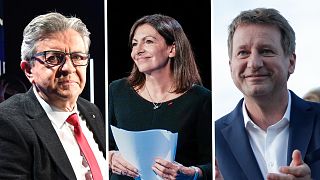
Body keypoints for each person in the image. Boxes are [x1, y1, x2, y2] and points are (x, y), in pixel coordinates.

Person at [215, 8, 320, 180]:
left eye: (266, 51)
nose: (254, 63)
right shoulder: (214, 137)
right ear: (230, 65)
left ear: (291, 62)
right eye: (243, 53)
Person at [0, 12, 107, 179]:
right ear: (29, 70)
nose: (69, 68)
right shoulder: (7, 123)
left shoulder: (91, 111)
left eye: (78, 57)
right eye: (54, 58)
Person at [108, 14, 212, 180]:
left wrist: (192, 173)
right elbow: (99, 147)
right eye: (135, 44)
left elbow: (212, 165)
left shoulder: (201, 99)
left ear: (172, 49)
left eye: (148, 41)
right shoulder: (117, 91)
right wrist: (111, 157)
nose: (138, 50)